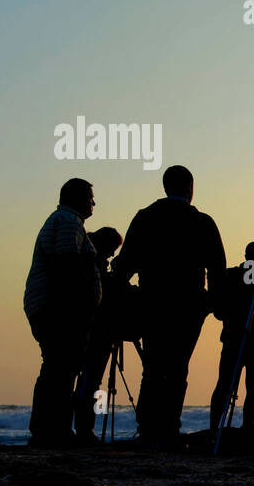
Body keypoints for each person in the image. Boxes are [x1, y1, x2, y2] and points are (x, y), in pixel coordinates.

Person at [113, 165, 226, 448]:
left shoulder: (145, 217)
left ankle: (148, 428)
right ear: (190, 187)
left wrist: (121, 293)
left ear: (166, 187)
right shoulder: (201, 221)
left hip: (152, 301)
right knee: (177, 367)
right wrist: (215, 303)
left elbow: (126, 263)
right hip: (189, 305)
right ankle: (169, 428)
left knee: (152, 366)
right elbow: (217, 267)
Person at [23, 178, 100, 447]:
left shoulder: (65, 221)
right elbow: (68, 267)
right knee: (60, 369)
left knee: (59, 368)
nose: (93, 202)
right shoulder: (67, 222)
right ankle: (51, 430)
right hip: (58, 309)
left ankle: (50, 429)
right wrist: (76, 309)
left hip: (54, 307)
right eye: (90, 197)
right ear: (77, 198)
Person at [210, 238, 254, 434]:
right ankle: (219, 429)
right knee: (232, 385)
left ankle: (226, 429)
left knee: (243, 386)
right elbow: (246, 290)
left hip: (246, 338)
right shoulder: (249, 277)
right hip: (241, 337)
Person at [73, 226, 124, 443]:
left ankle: (85, 428)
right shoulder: (93, 267)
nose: (112, 255)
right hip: (97, 332)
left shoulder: (88, 260)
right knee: (93, 384)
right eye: (112, 249)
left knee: (90, 383)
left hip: (93, 331)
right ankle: (86, 429)